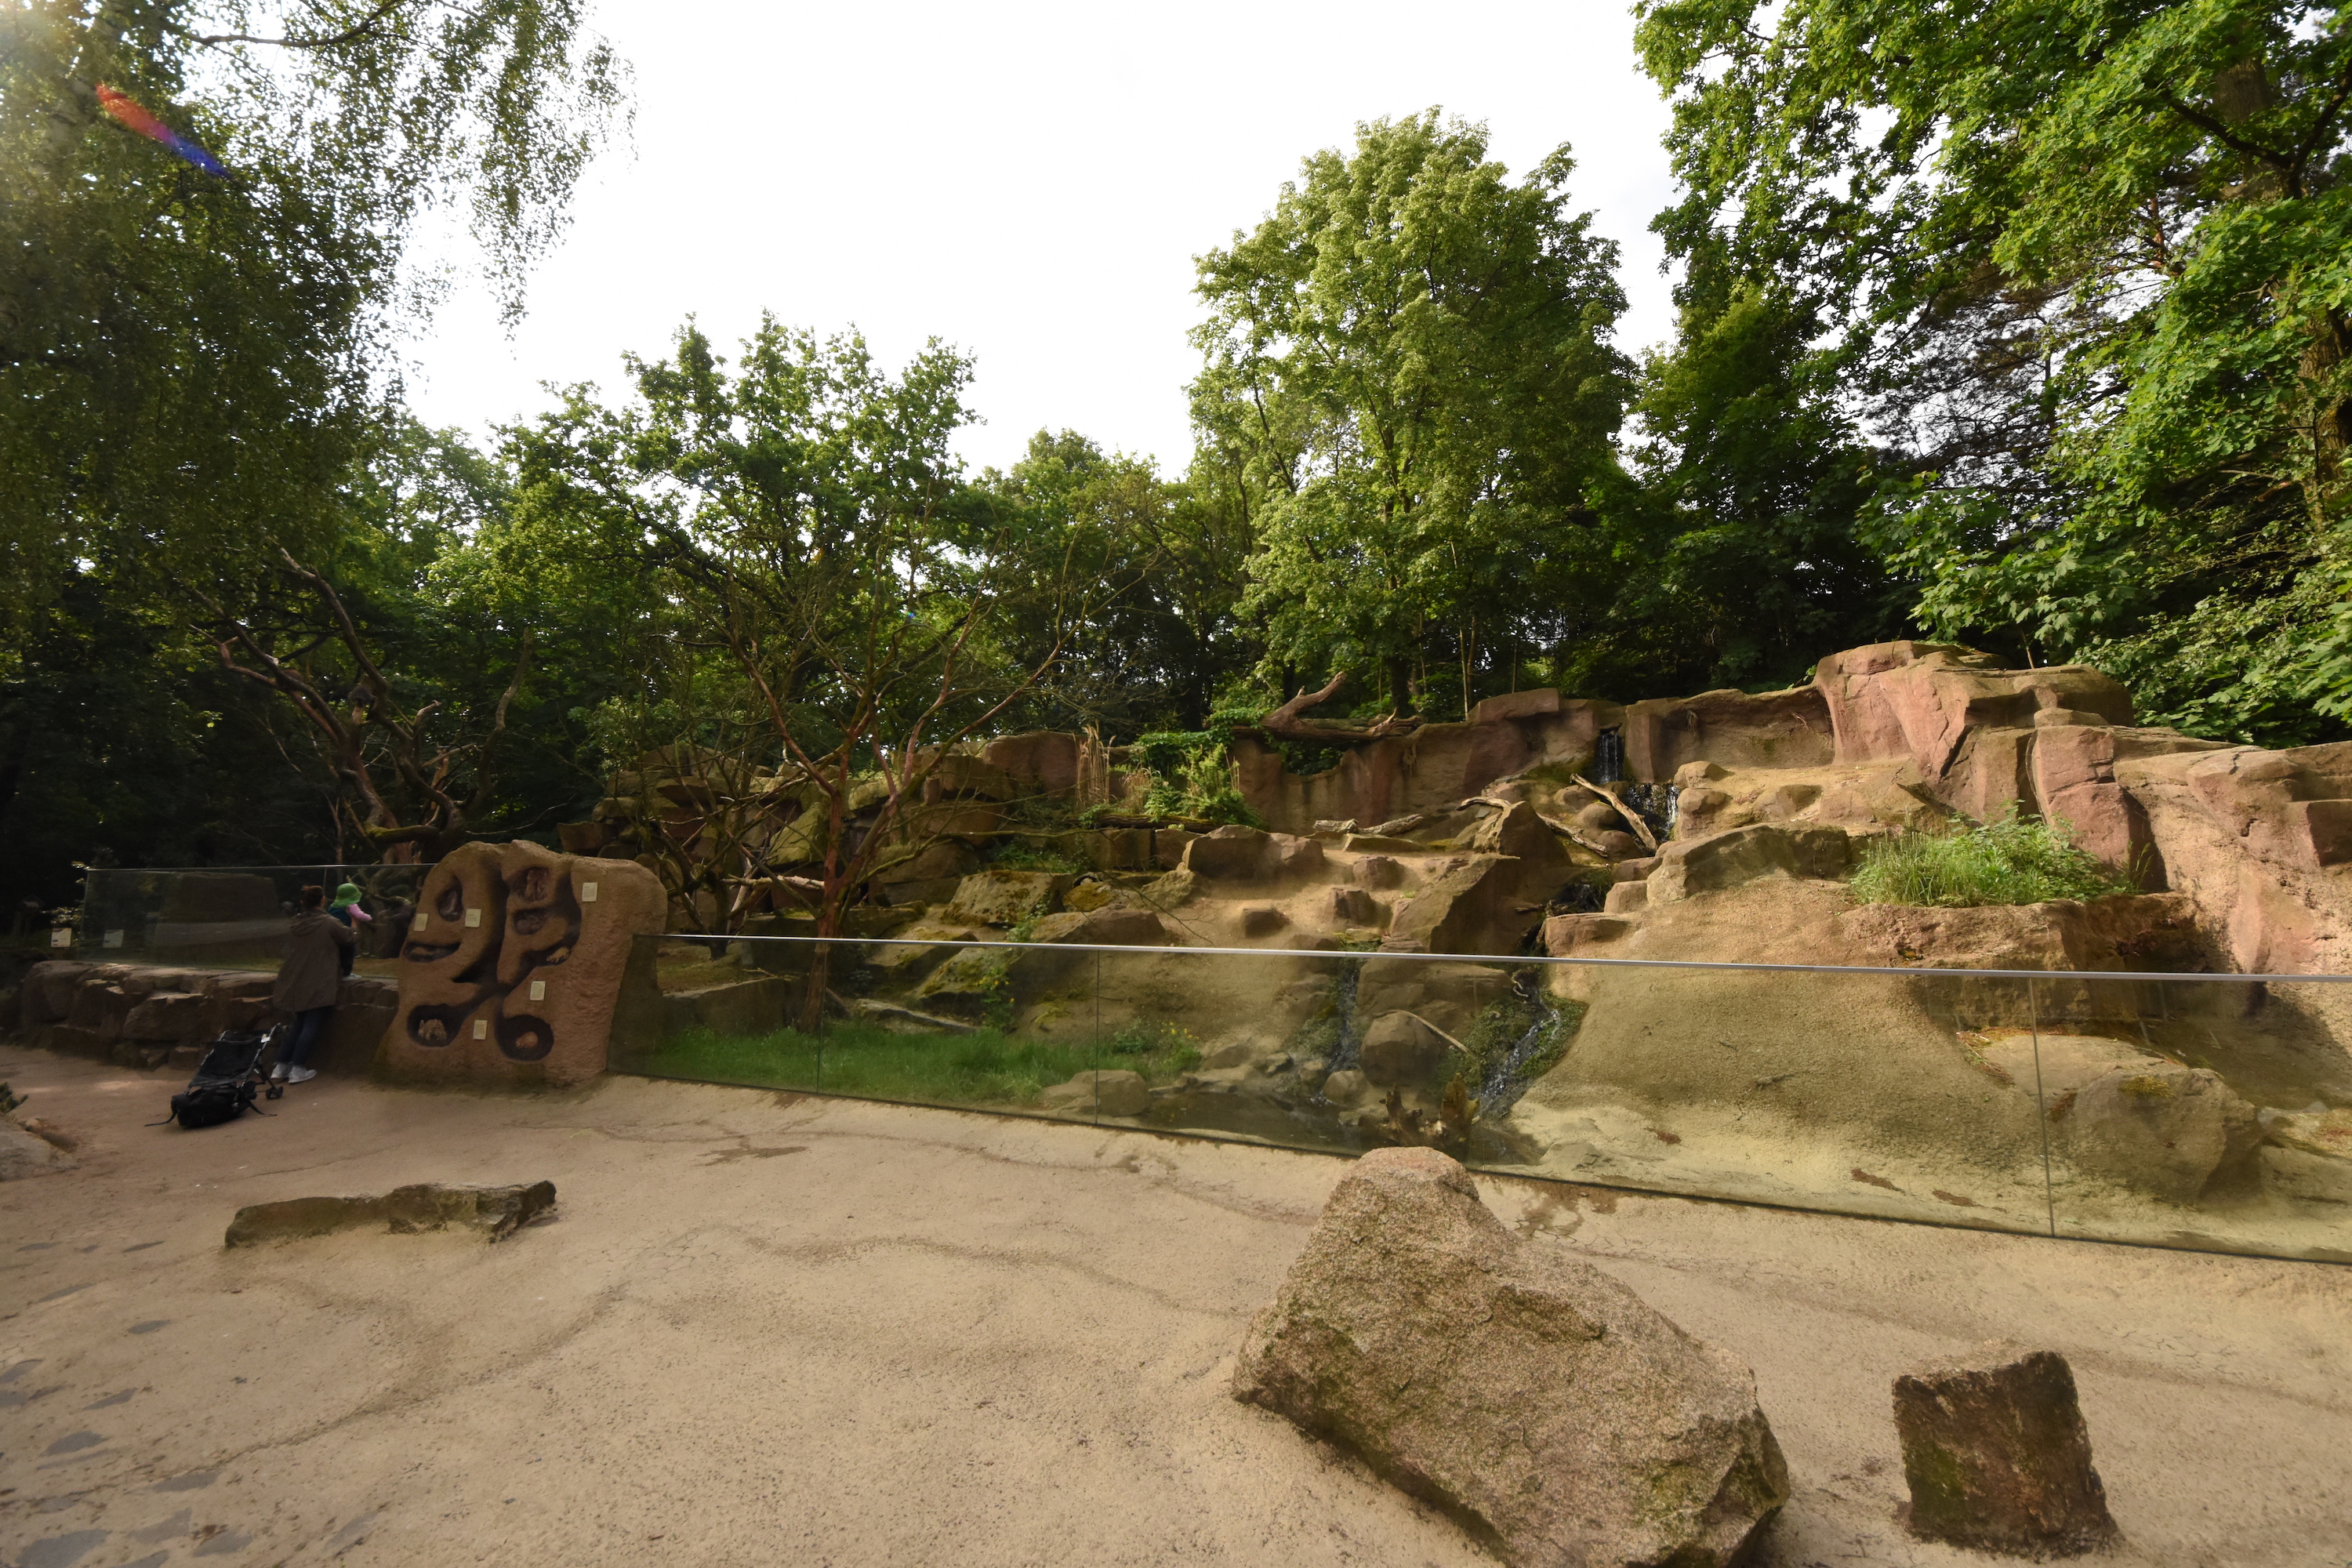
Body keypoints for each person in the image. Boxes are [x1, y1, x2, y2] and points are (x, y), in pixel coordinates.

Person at [271, 884, 355, 1084]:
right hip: (319, 979)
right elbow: (348, 938)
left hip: (297, 978)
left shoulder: (295, 922)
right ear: (323, 900)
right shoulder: (328, 922)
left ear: (302, 902)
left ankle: (280, 1066)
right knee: (311, 1023)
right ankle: (298, 1068)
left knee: (298, 1022)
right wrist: (355, 924)